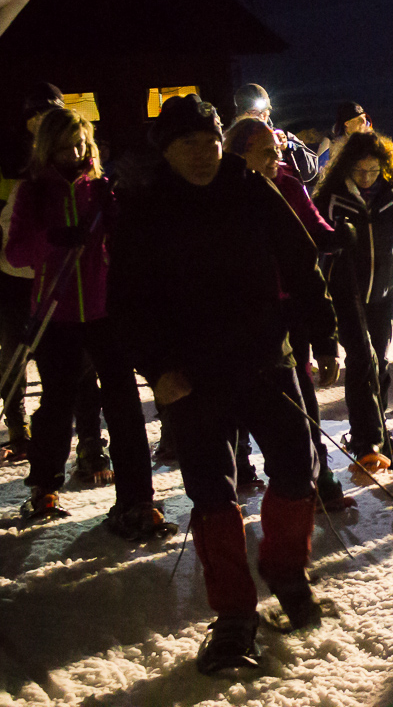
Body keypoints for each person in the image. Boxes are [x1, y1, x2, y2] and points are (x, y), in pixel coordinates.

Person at [108, 94, 340, 673]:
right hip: (192, 375)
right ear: (167, 151)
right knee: (213, 492)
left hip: (264, 358)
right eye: (188, 143)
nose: (203, 153)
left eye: (210, 141)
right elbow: (128, 302)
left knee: (299, 465)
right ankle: (234, 614)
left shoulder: (249, 186)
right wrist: (156, 368)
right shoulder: (146, 207)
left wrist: (324, 336)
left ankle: (284, 568)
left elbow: (302, 261)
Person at [5, 108, 167, 536]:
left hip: (104, 311)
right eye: (66, 147)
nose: (76, 154)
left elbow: (127, 241)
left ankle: (137, 497)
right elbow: (16, 253)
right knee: (58, 405)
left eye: (81, 144)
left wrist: (121, 218)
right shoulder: (34, 192)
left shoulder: (100, 190)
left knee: (123, 403)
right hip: (55, 315)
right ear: (48, 149)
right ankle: (44, 485)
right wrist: (51, 240)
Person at [0, 84, 105, 470]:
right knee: (16, 354)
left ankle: (89, 441)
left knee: (78, 366)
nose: (45, 120)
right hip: (14, 277)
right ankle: (18, 430)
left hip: (64, 278)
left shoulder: (79, 167)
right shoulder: (5, 161)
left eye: (52, 113)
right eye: (38, 115)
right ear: (27, 120)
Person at [222, 117, 354, 511]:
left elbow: (312, 228)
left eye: (276, 152)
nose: (274, 160)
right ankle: (239, 464)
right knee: (236, 392)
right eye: (265, 153)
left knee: (300, 392)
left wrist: (335, 236)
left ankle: (319, 472)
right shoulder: (224, 192)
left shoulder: (288, 184)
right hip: (240, 310)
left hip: (288, 304)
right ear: (239, 154)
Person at [313, 130, 393, 475]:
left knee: (380, 363)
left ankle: (378, 431)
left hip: (383, 291)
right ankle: (366, 441)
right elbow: (314, 238)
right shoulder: (332, 198)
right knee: (362, 361)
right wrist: (334, 239)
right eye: (359, 171)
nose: (366, 178)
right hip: (345, 291)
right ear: (347, 167)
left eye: (373, 171)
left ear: (384, 167)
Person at [233, 83, 318, 185]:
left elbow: (310, 171)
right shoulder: (229, 142)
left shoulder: (281, 137)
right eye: (254, 112)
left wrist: (288, 147)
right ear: (240, 115)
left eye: (264, 113)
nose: (260, 118)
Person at [316, 101, 371, 175]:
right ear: (347, 123)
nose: (364, 121)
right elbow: (320, 173)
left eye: (364, 117)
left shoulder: (372, 140)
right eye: (359, 119)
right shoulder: (330, 143)